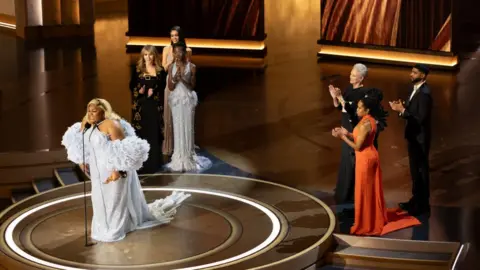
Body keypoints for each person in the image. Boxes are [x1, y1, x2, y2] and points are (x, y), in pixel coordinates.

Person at [61, 98, 190, 242]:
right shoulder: (88, 125)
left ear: (104, 111)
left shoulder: (112, 125)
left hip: (113, 169)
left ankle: (115, 229)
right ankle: (103, 227)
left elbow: (122, 150)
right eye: (88, 111)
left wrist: (116, 171)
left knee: (115, 201)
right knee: (99, 200)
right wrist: (81, 160)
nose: (90, 114)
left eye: (94, 111)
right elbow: (82, 143)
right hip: (98, 172)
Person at [332, 89, 420, 235]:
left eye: (360, 107)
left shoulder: (367, 124)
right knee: (365, 190)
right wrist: (346, 132)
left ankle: (367, 223)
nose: (357, 109)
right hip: (366, 158)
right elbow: (358, 136)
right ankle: (367, 218)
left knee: (365, 191)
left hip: (366, 160)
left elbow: (358, 146)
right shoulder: (365, 120)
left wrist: (342, 137)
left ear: (367, 110)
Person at [389, 64, 433, 216]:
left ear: (423, 75)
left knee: (420, 172)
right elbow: (410, 110)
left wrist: (402, 111)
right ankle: (416, 200)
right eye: (411, 72)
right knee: (415, 172)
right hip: (413, 137)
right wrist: (400, 109)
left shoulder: (425, 94)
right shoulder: (415, 90)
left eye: (415, 73)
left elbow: (420, 118)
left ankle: (422, 205)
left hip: (420, 139)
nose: (411, 74)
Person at [165, 42, 211, 172]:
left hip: (187, 100)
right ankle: (179, 155)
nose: (178, 54)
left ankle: (188, 154)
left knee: (187, 126)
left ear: (184, 53)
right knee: (178, 126)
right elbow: (170, 87)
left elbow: (192, 86)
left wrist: (183, 78)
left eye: (180, 52)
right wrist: (175, 77)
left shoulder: (192, 67)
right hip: (176, 101)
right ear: (173, 53)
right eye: (175, 52)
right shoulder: (170, 67)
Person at [329, 63, 371, 205]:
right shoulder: (348, 89)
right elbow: (340, 107)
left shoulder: (362, 93)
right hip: (344, 127)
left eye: (353, 75)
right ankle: (343, 190)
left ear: (361, 78)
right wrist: (335, 97)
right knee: (345, 160)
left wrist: (340, 98)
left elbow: (352, 112)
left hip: (353, 129)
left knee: (352, 161)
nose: (350, 76)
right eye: (351, 74)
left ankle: (351, 193)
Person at [130, 45, 166, 174]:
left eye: (150, 54)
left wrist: (154, 90)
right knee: (141, 132)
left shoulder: (160, 70)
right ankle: (140, 162)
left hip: (154, 106)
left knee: (154, 132)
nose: (148, 57)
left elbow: (162, 87)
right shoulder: (138, 69)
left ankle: (154, 163)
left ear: (154, 56)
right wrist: (139, 89)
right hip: (141, 107)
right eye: (145, 55)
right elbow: (131, 86)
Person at [162, 26, 193, 156]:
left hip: (182, 84)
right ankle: (169, 146)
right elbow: (164, 67)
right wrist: (173, 61)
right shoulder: (166, 49)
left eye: (176, 35)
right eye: (172, 35)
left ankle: (183, 146)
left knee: (182, 116)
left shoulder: (188, 50)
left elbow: (188, 68)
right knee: (169, 116)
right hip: (170, 82)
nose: (174, 38)